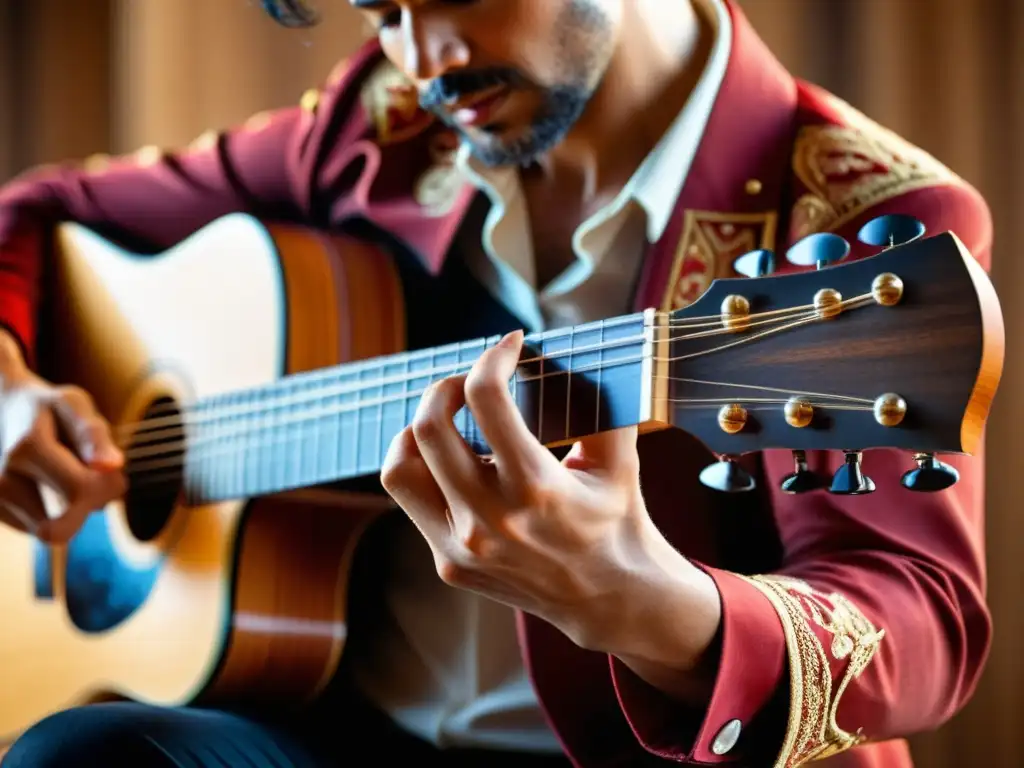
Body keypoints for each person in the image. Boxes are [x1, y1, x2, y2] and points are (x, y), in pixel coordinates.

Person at [0, 0, 995, 765]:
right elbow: (36, 213)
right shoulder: (381, 126)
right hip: (339, 729)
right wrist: (10, 394)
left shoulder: (852, 207)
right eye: (383, 14)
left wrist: (646, 604)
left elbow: (920, 617)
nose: (425, 61)